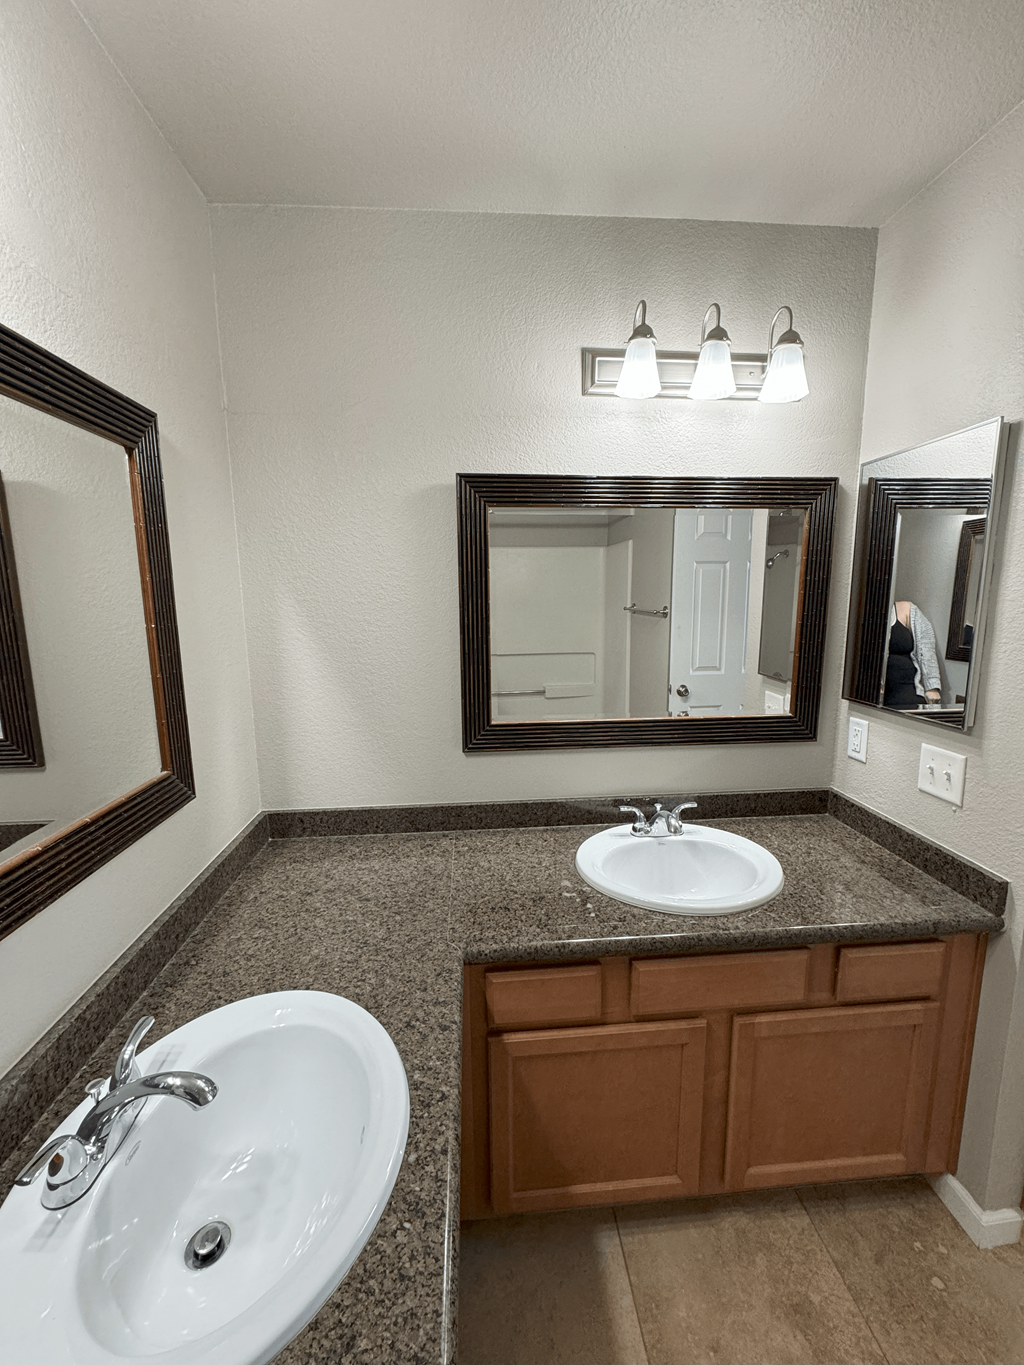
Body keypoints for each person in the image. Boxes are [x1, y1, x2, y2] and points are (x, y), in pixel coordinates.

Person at [884, 600, 942, 709]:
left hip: (908, 693)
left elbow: (926, 649)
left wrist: (932, 687)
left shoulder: (907, 609)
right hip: (879, 696)